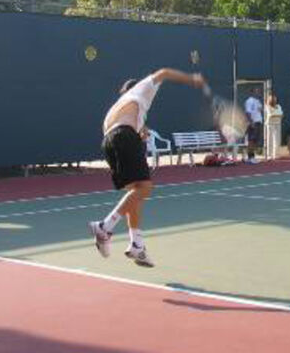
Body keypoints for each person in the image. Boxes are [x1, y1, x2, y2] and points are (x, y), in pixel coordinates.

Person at [89, 68, 208, 267]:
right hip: (123, 136)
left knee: (135, 195)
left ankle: (137, 244)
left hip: (109, 142)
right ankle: (105, 226)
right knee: (145, 188)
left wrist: (140, 133)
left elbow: (126, 128)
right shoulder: (141, 89)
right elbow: (163, 72)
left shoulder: (118, 108)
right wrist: (192, 79)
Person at [245, 88, 263, 163]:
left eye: (259, 92)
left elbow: (260, 110)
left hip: (258, 122)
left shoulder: (258, 101)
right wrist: (251, 122)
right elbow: (248, 113)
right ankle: (250, 157)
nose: (259, 93)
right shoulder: (249, 101)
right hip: (253, 123)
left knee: (255, 141)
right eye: (257, 92)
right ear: (252, 93)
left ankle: (253, 157)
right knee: (251, 140)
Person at [264, 92, 283, 160]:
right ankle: (269, 155)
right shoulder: (267, 106)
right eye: (272, 98)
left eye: (275, 98)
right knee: (270, 139)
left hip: (278, 124)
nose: (274, 99)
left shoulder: (279, 106)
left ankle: (276, 154)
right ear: (269, 99)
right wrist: (277, 114)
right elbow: (270, 115)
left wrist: (276, 114)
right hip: (270, 124)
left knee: (277, 140)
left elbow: (281, 115)